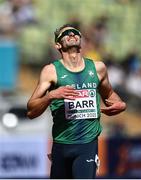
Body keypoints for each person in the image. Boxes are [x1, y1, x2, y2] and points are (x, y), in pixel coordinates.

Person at [27, 24, 126, 179]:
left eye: (76, 33)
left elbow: (111, 96)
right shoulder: (51, 71)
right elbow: (31, 111)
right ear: (58, 45)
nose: (72, 34)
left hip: (87, 144)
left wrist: (121, 105)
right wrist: (51, 95)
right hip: (61, 144)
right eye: (67, 33)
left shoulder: (98, 68)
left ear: (81, 40)